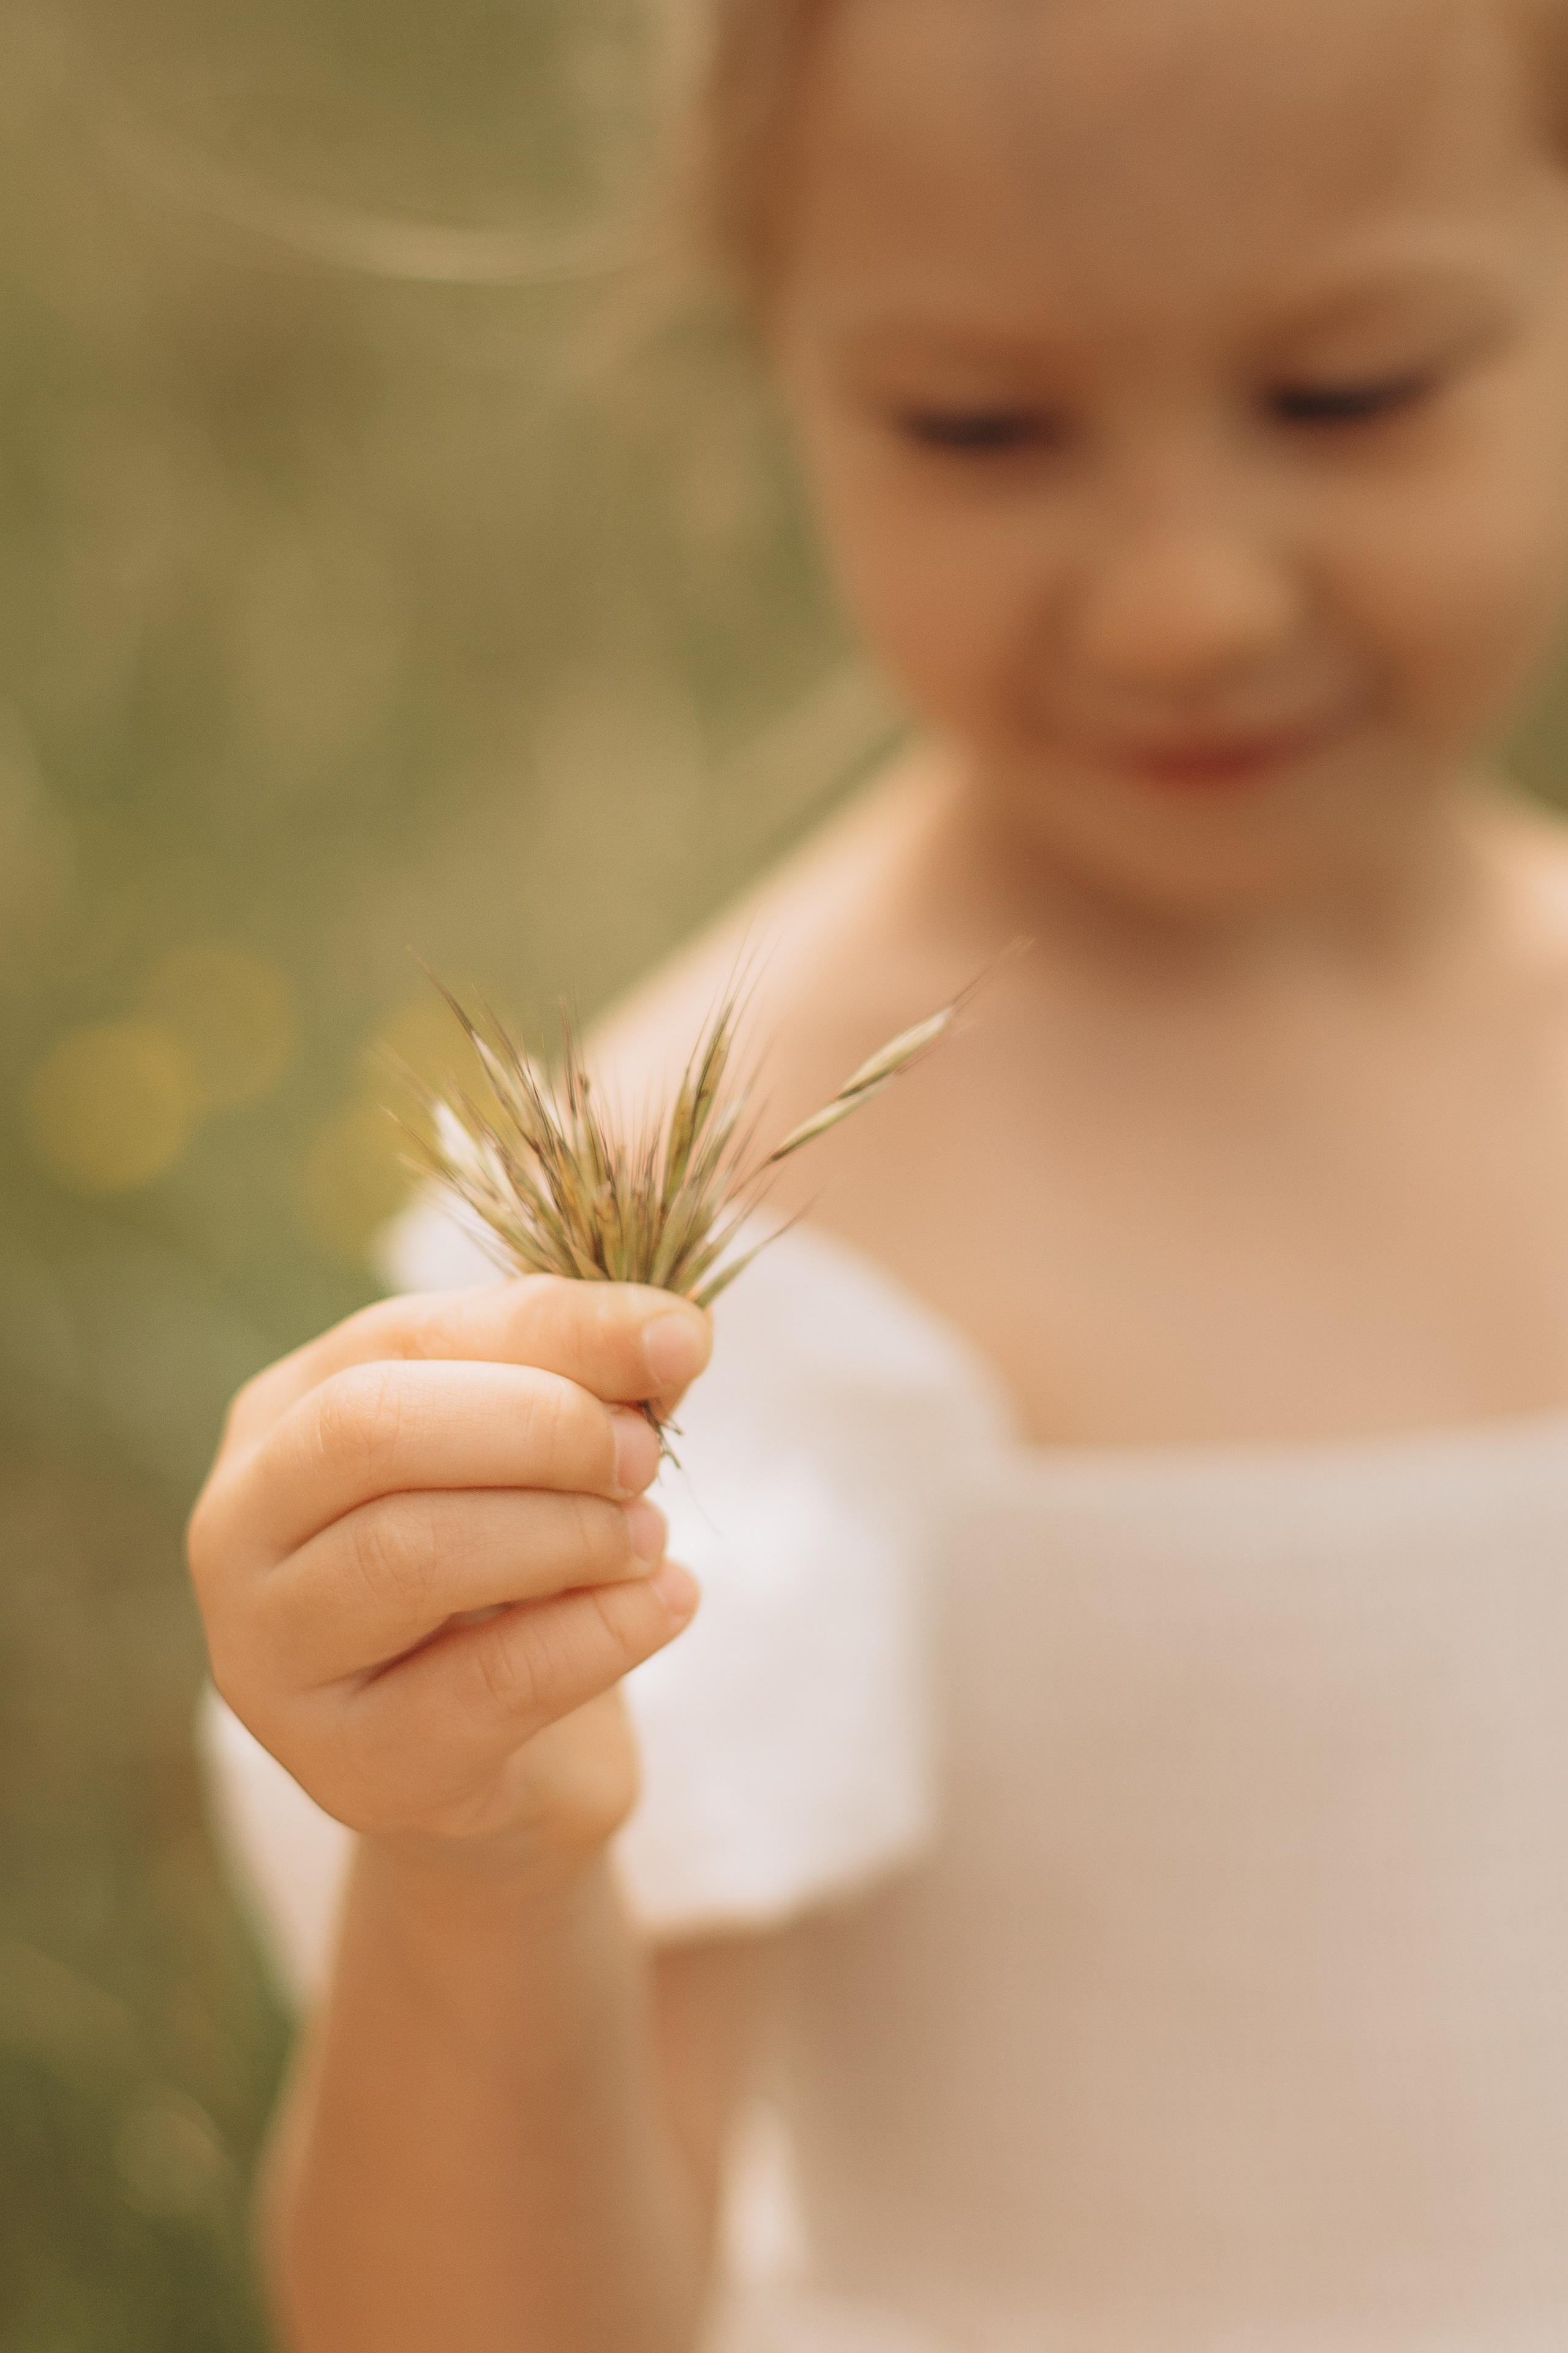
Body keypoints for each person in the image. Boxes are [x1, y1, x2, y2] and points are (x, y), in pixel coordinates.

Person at [188, 0, 1568, 2344]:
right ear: (777, 353)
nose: (1186, 602)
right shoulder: (722, 1264)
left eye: (1344, 393)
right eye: (983, 426)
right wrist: (479, 1868)